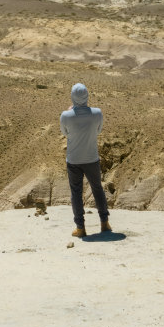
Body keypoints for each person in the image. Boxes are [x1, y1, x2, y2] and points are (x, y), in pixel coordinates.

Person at [60, 82, 111, 237]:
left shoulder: (65, 116)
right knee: (97, 189)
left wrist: (71, 112)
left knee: (76, 192)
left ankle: (80, 228)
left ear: (72, 97)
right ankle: (104, 223)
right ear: (87, 96)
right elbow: (98, 130)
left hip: (74, 160)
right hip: (91, 158)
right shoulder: (97, 113)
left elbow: (65, 133)